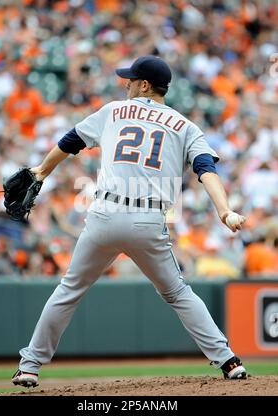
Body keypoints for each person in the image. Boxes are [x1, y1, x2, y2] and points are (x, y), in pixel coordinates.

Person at [12, 56, 247, 388]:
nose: (127, 84)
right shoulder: (185, 126)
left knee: (69, 290)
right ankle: (229, 361)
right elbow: (206, 170)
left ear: (145, 85)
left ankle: (29, 366)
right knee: (178, 292)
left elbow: (69, 143)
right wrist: (225, 211)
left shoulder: (112, 111)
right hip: (147, 221)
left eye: (131, 80)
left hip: (104, 216)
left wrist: (40, 171)